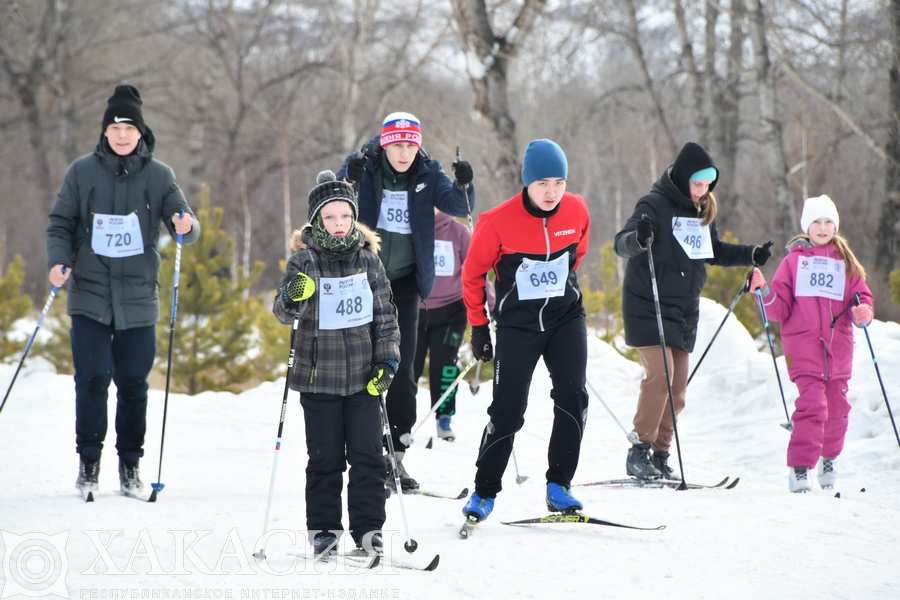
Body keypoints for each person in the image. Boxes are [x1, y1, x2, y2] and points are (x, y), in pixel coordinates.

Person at [46, 84, 200, 496]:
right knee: (93, 379)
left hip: (137, 297)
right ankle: (89, 464)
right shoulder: (82, 171)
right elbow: (60, 222)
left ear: (140, 132)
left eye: (129, 127)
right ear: (105, 131)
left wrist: (186, 226)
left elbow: (185, 223)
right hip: (90, 293)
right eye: (115, 127)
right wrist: (57, 262)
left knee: (133, 383)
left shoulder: (160, 175)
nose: (122, 135)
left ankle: (130, 466)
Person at [614, 141, 771, 481]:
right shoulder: (653, 204)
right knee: (662, 375)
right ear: (684, 178)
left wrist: (751, 253)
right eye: (697, 184)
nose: (702, 191)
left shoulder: (701, 211)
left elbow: (712, 250)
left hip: (683, 311)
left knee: (678, 386)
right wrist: (639, 239)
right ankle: (638, 450)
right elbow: (621, 242)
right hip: (649, 304)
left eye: (707, 186)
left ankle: (659, 452)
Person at [336, 112, 475, 491]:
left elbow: (459, 207)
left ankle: (395, 456)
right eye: (397, 144)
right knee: (362, 368)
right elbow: (333, 198)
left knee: (402, 371)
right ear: (384, 143)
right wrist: (348, 175)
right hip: (362, 281)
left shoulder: (428, 173)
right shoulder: (367, 167)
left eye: (411, 145)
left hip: (406, 287)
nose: (404, 152)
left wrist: (466, 183)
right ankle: (362, 452)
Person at [460, 139, 591, 522]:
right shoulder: (496, 221)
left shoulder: (577, 208)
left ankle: (559, 486)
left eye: (559, 183)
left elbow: (576, 256)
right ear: (527, 183)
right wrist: (479, 327)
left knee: (572, 396)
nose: (551, 192)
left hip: (566, 319)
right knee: (508, 410)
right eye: (543, 183)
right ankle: (484, 492)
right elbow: (472, 277)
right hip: (518, 326)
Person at [272, 171, 400, 555]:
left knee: (367, 457)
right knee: (325, 459)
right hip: (318, 378)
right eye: (330, 217)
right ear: (317, 221)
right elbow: (282, 311)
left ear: (353, 218)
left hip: (364, 378)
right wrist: (295, 294)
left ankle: (368, 529)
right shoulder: (304, 260)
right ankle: (325, 530)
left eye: (345, 216)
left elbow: (386, 317)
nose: (339, 224)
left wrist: (388, 362)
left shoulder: (368, 261)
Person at [748, 195, 873, 493]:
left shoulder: (846, 263)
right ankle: (800, 467)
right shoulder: (794, 262)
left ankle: (828, 459)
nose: (822, 227)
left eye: (828, 221)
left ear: (835, 226)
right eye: (816, 221)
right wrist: (763, 291)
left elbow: (862, 297)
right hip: (803, 351)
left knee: (838, 410)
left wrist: (863, 311)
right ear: (807, 226)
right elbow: (779, 309)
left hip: (838, 351)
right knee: (812, 407)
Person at [412, 208, 495, 442]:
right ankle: (402, 421)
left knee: (445, 365)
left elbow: (476, 269)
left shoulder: (459, 232)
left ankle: (444, 417)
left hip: (450, 311)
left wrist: (490, 302)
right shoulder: (410, 228)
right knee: (410, 366)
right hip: (413, 311)